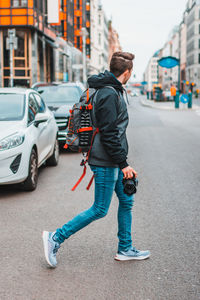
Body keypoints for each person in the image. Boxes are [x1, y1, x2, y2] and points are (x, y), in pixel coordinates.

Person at [42, 52, 150, 267]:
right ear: (127, 73)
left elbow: (112, 133)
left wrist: (123, 162)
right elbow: (109, 134)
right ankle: (55, 237)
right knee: (100, 208)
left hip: (111, 157)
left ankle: (125, 248)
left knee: (127, 201)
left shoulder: (105, 88)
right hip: (104, 160)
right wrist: (124, 164)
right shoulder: (109, 93)